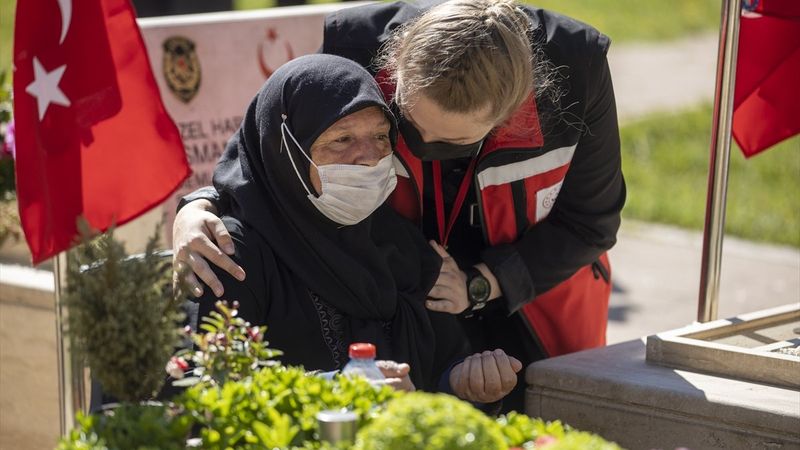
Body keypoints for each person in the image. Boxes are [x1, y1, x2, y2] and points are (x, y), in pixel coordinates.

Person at [174, 0, 625, 411]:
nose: (418, 146)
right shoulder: (358, 43)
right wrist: (198, 205)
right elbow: (277, 132)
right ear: (395, 69)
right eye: (406, 125)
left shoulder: (577, 67)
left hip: (528, 293)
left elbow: (591, 222)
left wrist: (482, 289)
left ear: (508, 117)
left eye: (451, 143)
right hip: (392, 264)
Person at [187, 52, 521, 403]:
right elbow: (204, 389)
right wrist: (334, 390)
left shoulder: (400, 244)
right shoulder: (231, 253)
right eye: (342, 140)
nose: (369, 156)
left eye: (380, 136)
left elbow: (439, 370)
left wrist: (462, 384)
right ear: (285, 152)